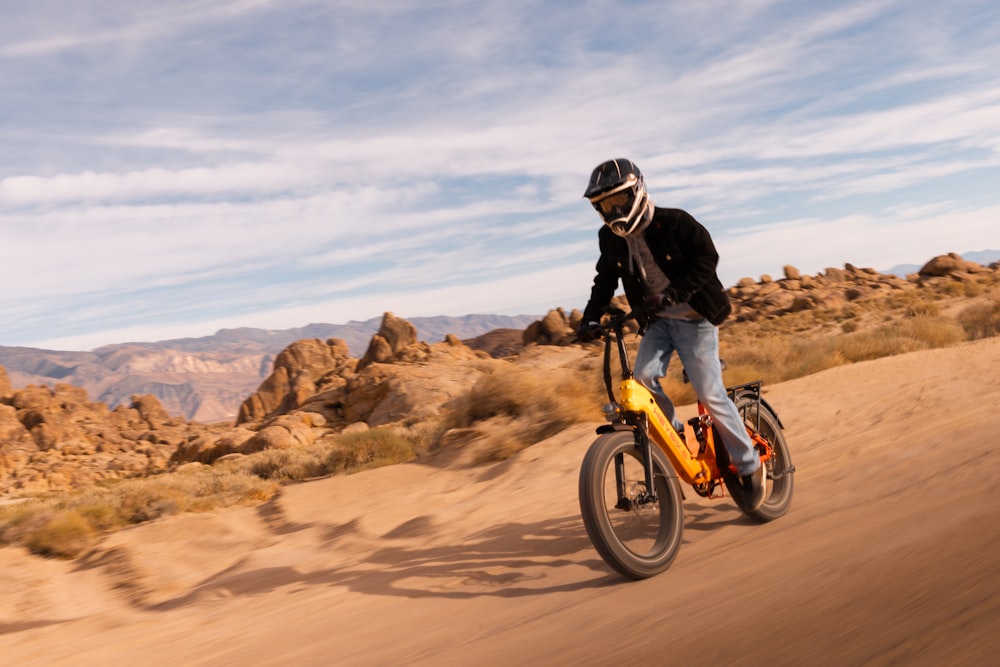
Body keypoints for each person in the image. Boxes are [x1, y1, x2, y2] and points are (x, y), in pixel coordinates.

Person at [576, 158, 765, 512]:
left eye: (617, 201)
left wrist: (677, 292)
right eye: (604, 206)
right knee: (643, 380)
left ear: (636, 192)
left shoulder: (675, 222)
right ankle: (675, 434)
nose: (612, 211)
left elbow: (707, 258)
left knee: (710, 392)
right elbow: (605, 280)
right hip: (658, 322)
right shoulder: (610, 238)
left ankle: (749, 465)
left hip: (695, 317)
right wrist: (589, 317)